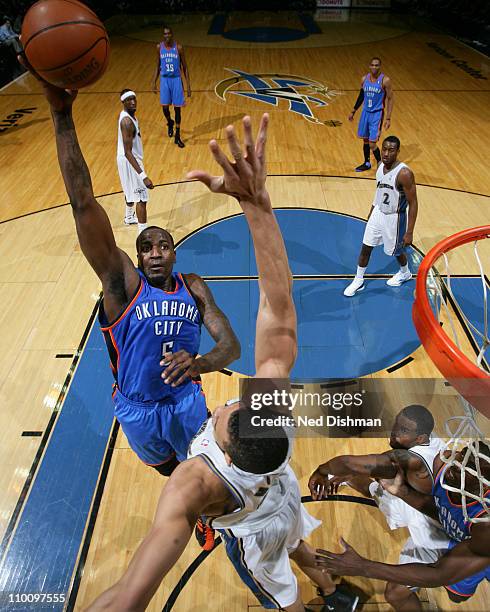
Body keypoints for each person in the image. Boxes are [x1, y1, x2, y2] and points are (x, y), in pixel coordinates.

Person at [85, 114, 359, 612]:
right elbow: (278, 307)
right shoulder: (273, 413)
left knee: (281, 595)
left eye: (226, 416)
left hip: (252, 531)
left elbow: (129, 596)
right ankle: (334, 592)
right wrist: (256, 203)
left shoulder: (196, 483)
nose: (223, 408)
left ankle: (306, 600)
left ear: (226, 452)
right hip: (284, 494)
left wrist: (253, 202)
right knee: (297, 537)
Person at [27, 61, 240, 490]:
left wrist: (200, 363)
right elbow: (83, 202)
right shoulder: (123, 287)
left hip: (184, 400)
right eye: (147, 248)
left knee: (204, 468)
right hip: (136, 405)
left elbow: (231, 346)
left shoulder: (192, 286)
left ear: (175, 253)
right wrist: (61, 116)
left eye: (164, 246)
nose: (156, 253)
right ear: (138, 257)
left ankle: (206, 513)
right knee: (164, 468)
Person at [309, 404, 452, 610]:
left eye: (403, 430)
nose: (394, 432)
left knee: (395, 593)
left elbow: (349, 462)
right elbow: (384, 464)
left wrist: (322, 470)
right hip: (431, 513)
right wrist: (353, 474)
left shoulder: (413, 463)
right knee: (382, 487)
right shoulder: (431, 441)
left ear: (419, 438)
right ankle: (349, 480)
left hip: (441, 542)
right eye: (396, 425)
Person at [315, 441, 490, 608]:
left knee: (456, 596)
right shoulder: (443, 464)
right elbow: (441, 511)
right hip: (457, 536)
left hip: (476, 547)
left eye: (465, 471)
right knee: (394, 593)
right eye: (460, 458)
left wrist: (361, 566)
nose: (454, 469)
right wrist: (402, 492)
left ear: (484, 485)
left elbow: (438, 574)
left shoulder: (485, 526)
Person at [343, 136, 418, 297]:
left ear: (398, 152)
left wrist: (409, 232)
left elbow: (414, 203)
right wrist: (372, 210)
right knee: (366, 246)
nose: (386, 153)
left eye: (391, 150)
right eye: (384, 149)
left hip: (394, 217)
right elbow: (379, 191)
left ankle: (405, 273)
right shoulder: (380, 166)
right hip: (379, 212)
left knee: (396, 251)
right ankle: (358, 280)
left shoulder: (404, 173)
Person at [117, 89, 154, 233]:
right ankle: (142, 233)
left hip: (124, 158)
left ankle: (128, 217)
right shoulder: (127, 122)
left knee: (129, 190)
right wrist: (143, 176)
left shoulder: (128, 116)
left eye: (134, 99)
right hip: (130, 159)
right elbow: (128, 152)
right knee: (142, 198)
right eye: (128, 100)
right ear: (123, 102)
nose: (132, 102)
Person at [348, 57, 394, 173]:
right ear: (369, 66)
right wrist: (353, 111)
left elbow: (390, 99)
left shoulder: (385, 80)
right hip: (365, 112)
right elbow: (361, 96)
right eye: (372, 65)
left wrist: (388, 118)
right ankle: (367, 163)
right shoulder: (364, 79)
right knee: (365, 140)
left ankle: (382, 165)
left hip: (377, 114)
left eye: (377, 65)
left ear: (380, 66)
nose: (374, 67)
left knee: (373, 143)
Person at [152, 26, 190, 149]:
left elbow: (185, 67)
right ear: (163, 35)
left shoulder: (178, 48)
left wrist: (188, 85)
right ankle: (169, 122)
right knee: (165, 108)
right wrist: (154, 81)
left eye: (168, 33)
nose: (167, 35)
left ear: (172, 34)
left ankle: (177, 136)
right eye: (165, 34)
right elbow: (157, 65)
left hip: (176, 80)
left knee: (178, 109)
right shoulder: (159, 47)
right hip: (164, 80)